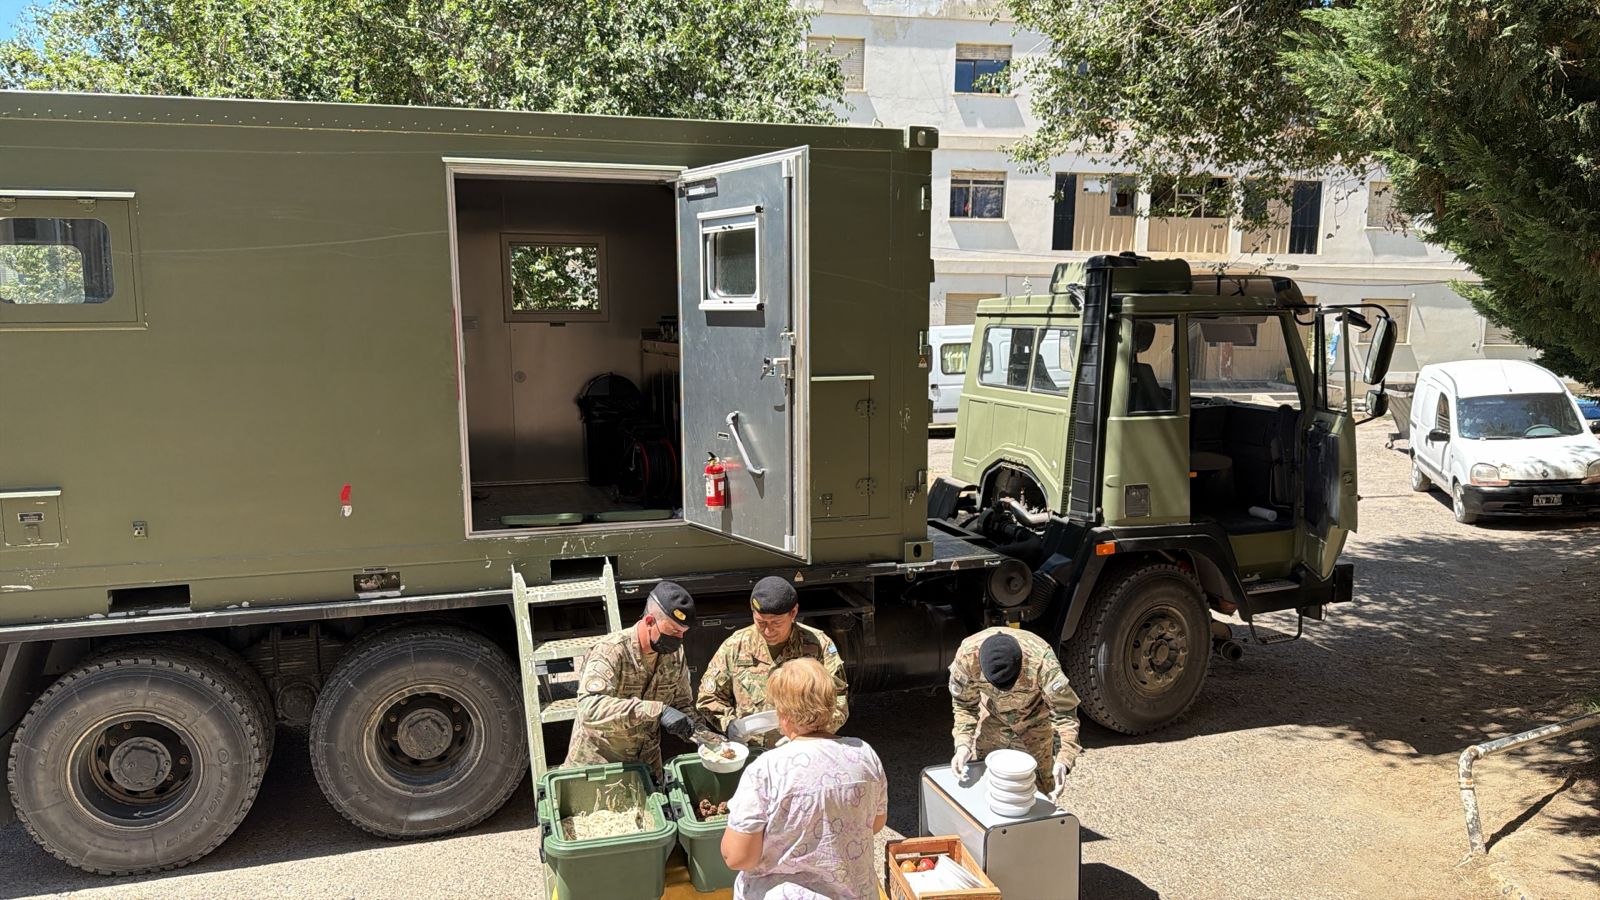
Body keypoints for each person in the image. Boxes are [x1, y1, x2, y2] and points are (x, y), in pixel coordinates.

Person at [721, 658, 887, 900]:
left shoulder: (766, 769)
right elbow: (875, 823)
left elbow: (738, 857)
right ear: (831, 706)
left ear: (783, 714)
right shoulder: (865, 754)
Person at [562, 580, 704, 776]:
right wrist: (656, 710)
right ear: (649, 621)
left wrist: (707, 737)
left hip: (645, 766)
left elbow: (681, 704)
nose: (679, 640)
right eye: (673, 631)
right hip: (599, 766)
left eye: (682, 633)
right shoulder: (611, 650)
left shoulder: (674, 655)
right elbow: (589, 709)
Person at [696, 576, 848, 749]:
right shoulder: (736, 646)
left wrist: (808, 735)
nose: (768, 631)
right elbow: (708, 697)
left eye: (776, 623)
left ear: (793, 613)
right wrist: (730, 724)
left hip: (802, 750)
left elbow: (839, 702)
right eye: (761, 622)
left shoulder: (819, 645)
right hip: (752, 751)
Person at [948, 626, 1082, 797]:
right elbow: (964, 705)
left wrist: (1064, 759)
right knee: (989, 785)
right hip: (992, 718)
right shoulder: (966, 658)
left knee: (1038, 789)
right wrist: (962, 744)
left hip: (1034, 722)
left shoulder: (1042, 661)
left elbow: (1065, 713)